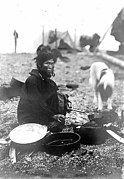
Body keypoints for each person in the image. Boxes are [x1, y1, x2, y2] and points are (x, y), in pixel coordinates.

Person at [17, 52, 71, 132]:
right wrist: (53, 116)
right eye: (47, 63)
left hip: (43, 114)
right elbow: (36, 103)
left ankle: (50, 123)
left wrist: (66, 104)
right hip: (29, 117)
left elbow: (57, 98)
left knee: (56, 94)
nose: (50, 67)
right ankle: (48, 123)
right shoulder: (32, 80)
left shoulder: (50, 83)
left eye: (52, 64)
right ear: (39, 65)